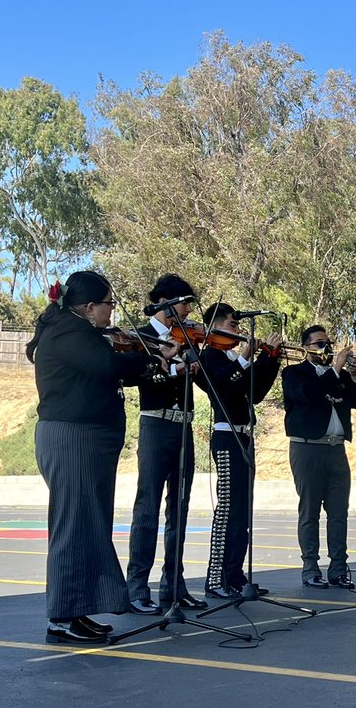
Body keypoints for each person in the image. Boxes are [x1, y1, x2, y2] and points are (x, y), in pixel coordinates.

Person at [27, 270, 178, 643]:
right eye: (109, 304)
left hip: (87, 437)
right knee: (73, 525)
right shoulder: (68, 331)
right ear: (89, 306)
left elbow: (110, 372)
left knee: (88, 525)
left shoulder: (80, 332)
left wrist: (147, 359)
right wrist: (152, 355)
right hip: (72, 437)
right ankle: (61, 618)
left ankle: (77, 610)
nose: (112, 312)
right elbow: (108, 366)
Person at [126, 274, 207, 614]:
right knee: (148, 506)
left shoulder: (187, 338)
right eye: (184, 303)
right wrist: (172, 367)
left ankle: (174, 585)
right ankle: (137, 586)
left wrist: (196, 364)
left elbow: (203, 380)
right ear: (165, 303)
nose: (189, 310)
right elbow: (136, 377)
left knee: (180, 506)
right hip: (156, 424)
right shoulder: (140, 338)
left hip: (183, 427)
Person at [194, 303, 282, 599]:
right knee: (227, 510)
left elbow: (255, 393)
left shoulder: (231, 358)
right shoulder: (209, 356)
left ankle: (234, 574)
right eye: (233, 325)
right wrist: (246, 357)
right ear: (216, 326)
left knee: (242, 512)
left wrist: (270, 358)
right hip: (226, 436)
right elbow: (224, 386)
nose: (239, 330)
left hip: (244, 437)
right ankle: (215, 577)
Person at [282, 326, 356, 590]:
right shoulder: (294, 373)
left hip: (336, 449)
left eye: (327, 343)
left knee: (339, 512)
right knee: (310, 511)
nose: (325, 348)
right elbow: (309, 394)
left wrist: (353, 376)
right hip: (308, 448)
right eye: (319, 344)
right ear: (306, 347)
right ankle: (310, 568)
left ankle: (338, 569)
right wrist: (335, 371)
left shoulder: (338, 375)